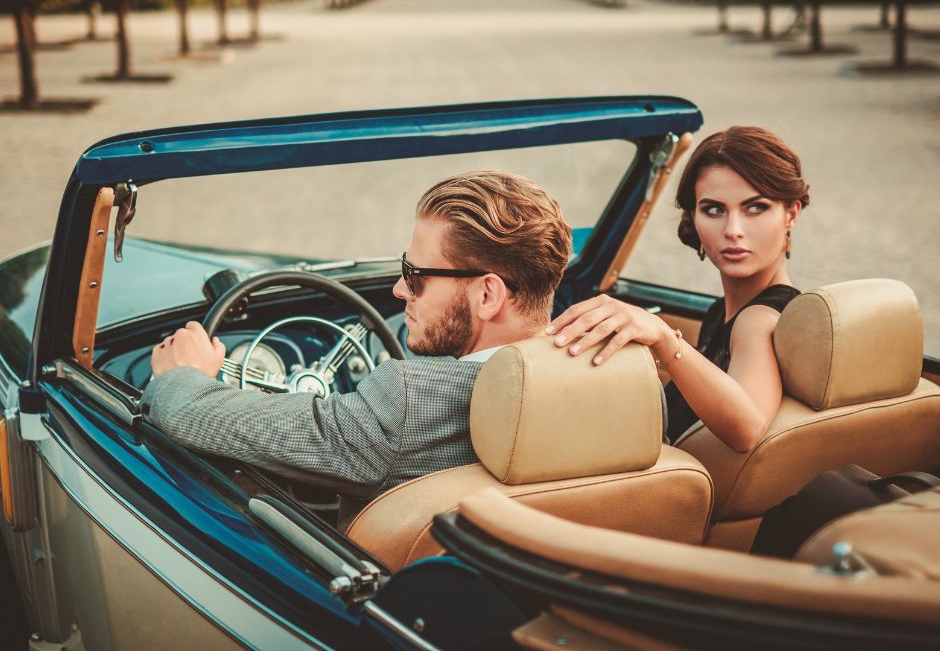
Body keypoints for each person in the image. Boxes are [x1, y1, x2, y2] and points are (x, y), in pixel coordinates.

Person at [141, 171, 572, 527]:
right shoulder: (606, 374)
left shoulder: (409, 401)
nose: (399, 289)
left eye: (416, 274)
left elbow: (187, 416)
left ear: (488, 296)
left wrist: (181, 373)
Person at [547, 126, 809, 452]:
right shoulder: (722, 314)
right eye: (714, 209)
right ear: (694, 218)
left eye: (755, 208)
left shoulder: (757, 319)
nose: (733, 230)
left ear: (791, 213)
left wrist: (662, 336)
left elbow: (748, 428)